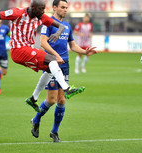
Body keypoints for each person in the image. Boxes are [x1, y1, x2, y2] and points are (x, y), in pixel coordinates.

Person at [0, 0, 86, 112]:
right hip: (18, 50)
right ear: (32, 7)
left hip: (27, 49)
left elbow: (61, 26)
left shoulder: (40, 17)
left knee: (49, 68)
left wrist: (58, 33)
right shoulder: (17, 13)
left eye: (43, 9)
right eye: (40, 9)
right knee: (52, 60)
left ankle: (33, 98)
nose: (42, 12)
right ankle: (66, 88)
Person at [29, 0, 96, 142]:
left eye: (66, 7)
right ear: (54, 7)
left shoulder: (67, 26)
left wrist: (85, 52)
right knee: (51, 100)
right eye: (62, 7)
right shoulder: (48, 23)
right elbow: (42, 42)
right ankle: (36, 119)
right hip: (51, 64)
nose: (65, 10)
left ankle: (54, 132)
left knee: (61, 100)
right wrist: (56, 56)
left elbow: (72, 45)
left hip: (64, 65)